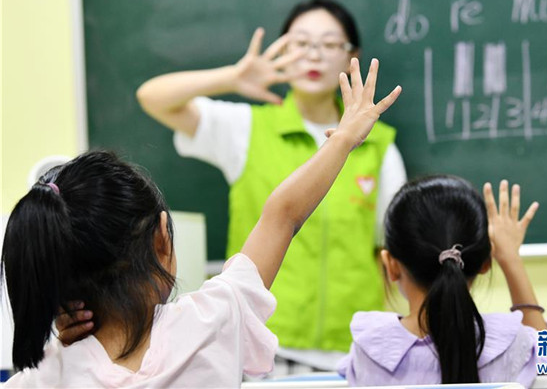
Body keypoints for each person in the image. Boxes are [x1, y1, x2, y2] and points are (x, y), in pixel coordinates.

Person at [1, 59, 401, 387]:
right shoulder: (211, 324)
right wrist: (343, 138)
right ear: (162, 239)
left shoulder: (40, 380)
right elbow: (283, 214)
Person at [132, 0, 406, 365]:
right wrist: (232, 78)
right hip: (262, 348)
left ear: (351, 57)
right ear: (282, 51)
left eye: (329, 45)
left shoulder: (378, 146)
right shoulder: (247, 129)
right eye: (301, 43)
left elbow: (389, 252)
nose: (314, 56)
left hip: (353, 349)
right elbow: (153, 97)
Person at [337, 177, 547, 387]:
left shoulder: (369, 348)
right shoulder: (510, 344)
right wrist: (510, 259)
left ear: (390, 265)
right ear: (485, 263)